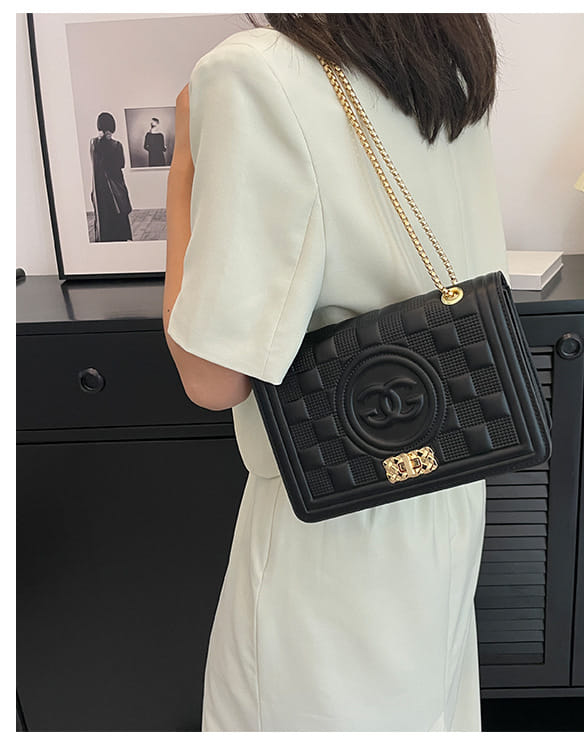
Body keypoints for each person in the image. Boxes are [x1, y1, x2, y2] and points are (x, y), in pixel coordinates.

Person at [162, 14, 509, 732]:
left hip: (330, 521)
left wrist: (185, 160)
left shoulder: (253, 71)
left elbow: (212, 378)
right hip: (448, 487)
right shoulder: (447, 59)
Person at [90, 111, 132, 242]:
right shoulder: (117, 145)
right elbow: (121, 164)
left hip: (100, 188)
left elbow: (97, 162)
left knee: (104, 217)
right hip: (116, 187)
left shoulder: (93, 144)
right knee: (119, 216)